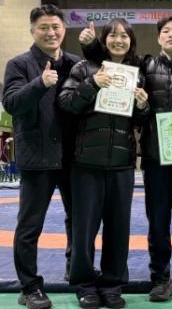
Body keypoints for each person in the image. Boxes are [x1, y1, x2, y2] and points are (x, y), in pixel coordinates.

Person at [83, 16, 172, 303]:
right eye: (165, 31)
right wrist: (90, 47)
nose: (171, 35)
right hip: (154, 158)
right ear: (159, 38)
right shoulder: (145, 66)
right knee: (157, 222)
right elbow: (114, 61)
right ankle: (161, 279)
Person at [58, 18, 150, 309]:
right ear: (104, 40)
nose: (118, 40)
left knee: (118, 229)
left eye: (124, 36)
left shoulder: (136, 76)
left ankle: (112, 284)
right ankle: (85, 285)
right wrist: (92, 84)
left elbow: (140, 121)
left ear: (131, 42)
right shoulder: (84, 69)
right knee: (84, 229)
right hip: (86, 163)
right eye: (113, 35)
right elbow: (66, 103)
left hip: (122, 164)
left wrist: (143, 105)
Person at [2, 5, 80, 309]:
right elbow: (11, 102)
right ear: (33, 31)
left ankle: (76, 271)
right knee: (30, 226)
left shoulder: (75, 64)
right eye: (44, 27)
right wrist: (40, 83)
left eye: (56, 27)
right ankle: (29, 287)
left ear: (64, 30)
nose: (51, 33)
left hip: (72, 157)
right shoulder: (19, 64)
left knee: (79, 221)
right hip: (37, 157)